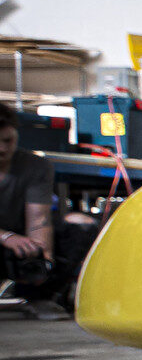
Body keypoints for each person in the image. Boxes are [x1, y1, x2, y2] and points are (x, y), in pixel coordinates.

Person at [0, 104, 65, 317]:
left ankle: (39, 297)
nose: (2, 149)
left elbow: (39, 219)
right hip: (6, 239)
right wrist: (6, 237)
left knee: (80, 226)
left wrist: (41, 257)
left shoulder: (36, 166)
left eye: (7, 141)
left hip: (17, 242)